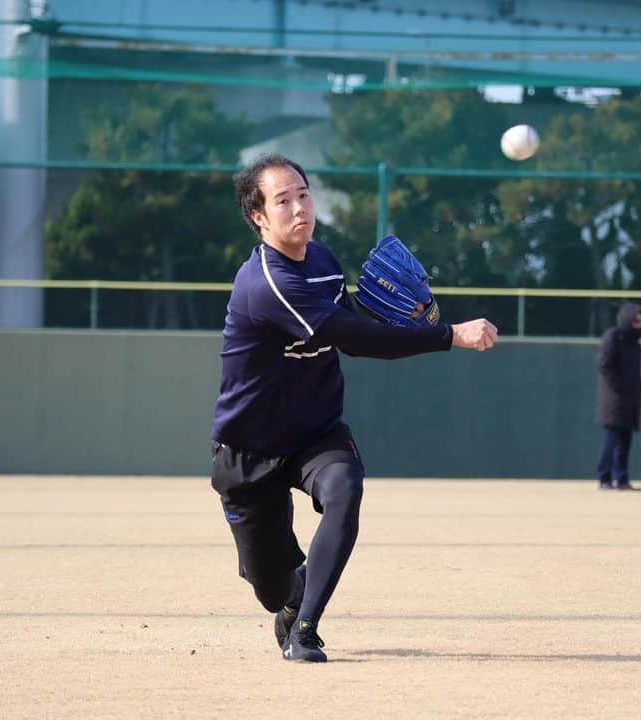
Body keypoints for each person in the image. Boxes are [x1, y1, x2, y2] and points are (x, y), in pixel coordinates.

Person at [210, 153, 498, 663]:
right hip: (248, 449)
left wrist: (404, 319)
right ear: (258, 217)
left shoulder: (321, 262)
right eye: (283, 200)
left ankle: (306, 630)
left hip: (316, 432)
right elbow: (352, 336)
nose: (299, 206)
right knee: (273, 589)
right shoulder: (268, 283)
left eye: (303, 193)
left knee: (345, 489)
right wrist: (448, 334)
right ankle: (291, 601)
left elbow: (356, 329)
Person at [595, 302, 641, 491]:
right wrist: (619, 388)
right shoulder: (612, 337)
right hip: (614, 401)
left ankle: (622, 479)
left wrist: (637, 388)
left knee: (625, 442)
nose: (640, 324)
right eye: (636, 320)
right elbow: (604, 365)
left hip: (631, 400)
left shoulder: (635, 343)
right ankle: (604, 479)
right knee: (610, 440)